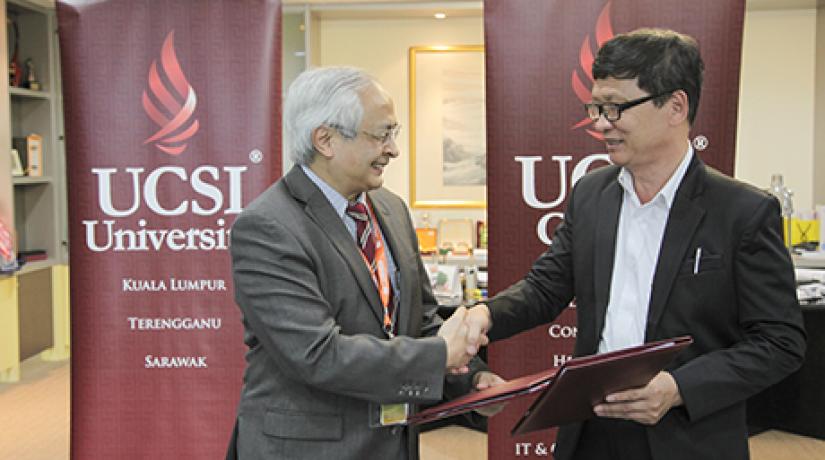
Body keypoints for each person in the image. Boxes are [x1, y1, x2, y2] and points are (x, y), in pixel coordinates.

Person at [464, 28, 806, 460]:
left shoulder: (742, 211)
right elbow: (546, 287)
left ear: (675, 107)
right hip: (589, 432)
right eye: (596, 107)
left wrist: (679, 388)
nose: (600, 122)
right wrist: (483, 315)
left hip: (688, 437)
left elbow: (779, 343)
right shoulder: (591, 195)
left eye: (615, 108)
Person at [227, 66, 501, 460]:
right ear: (326, 140)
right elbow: (317, 354)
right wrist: (440, 356)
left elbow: (420, 319)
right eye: (381, 134)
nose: (393, 149)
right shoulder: (268, 227)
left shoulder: (390, 209)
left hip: (392, 442)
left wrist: (471, 379)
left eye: (394, 133)